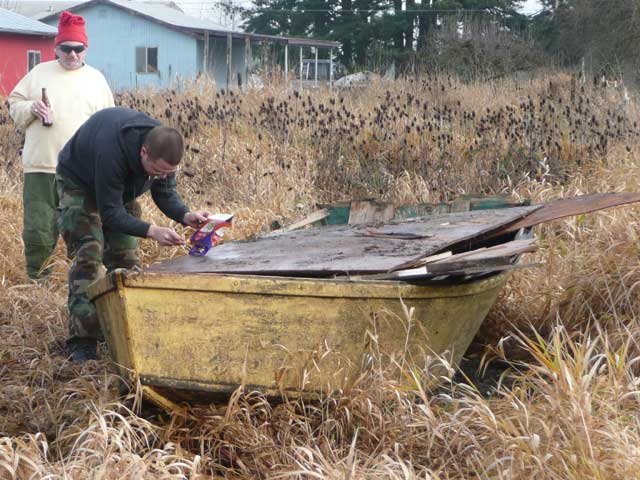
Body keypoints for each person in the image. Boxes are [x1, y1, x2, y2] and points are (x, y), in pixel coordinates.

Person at [56, 107, 210, 362]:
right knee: (89, 255)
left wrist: (185, 215)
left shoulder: (164, 149)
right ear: (143, 152)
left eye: (168, 173)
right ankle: (83, 340)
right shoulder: (112, 150)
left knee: (126, 260)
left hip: (119, 192)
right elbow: (110, 213)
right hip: (80, 184)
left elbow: (165, 193)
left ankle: (123, 328)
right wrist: (152, 231)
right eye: (157, 171)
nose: (162, 177)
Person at [8, 11, 114, 279]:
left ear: (86, 49)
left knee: (83, 229)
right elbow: (14, 104)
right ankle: (38, 281)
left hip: (81, 172)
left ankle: (82, 282)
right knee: (39, 229)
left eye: (78, 49)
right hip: (41, 167)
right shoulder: (38, 73)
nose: (72, 54)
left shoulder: (96, 80)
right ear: (56, 48)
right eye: (66, 48)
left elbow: (109, 125)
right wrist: (32, 108)